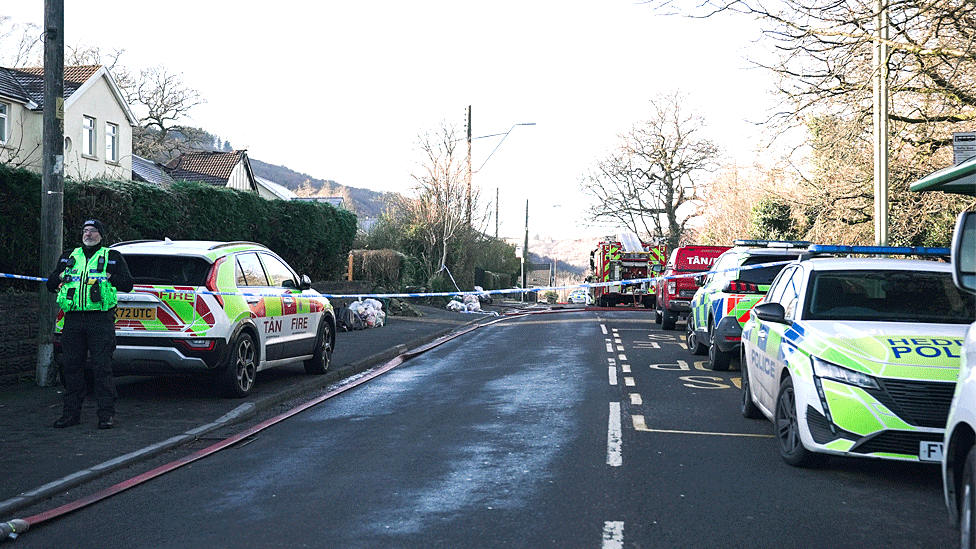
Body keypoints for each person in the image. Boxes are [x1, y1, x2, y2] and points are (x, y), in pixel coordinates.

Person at [46, 219, 133, 429]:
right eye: (85, 230)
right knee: (71, 368)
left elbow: (128, 285)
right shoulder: (69, 256)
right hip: (73, 320)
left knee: (102, 368)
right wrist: (59, 275)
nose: (89, 234)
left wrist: (111, 278)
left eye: (93, 231)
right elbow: (50, 284)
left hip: (100, 319)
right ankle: (70, 414)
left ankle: (106, 415)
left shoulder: (112, 257)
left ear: (101, 235)